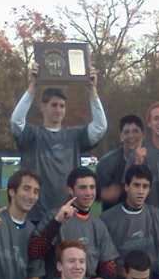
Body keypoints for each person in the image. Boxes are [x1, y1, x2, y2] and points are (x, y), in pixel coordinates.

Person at [10, 64, 107, 223]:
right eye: (53, 105)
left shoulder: (74, 136)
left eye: (62, 106)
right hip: (35, 214)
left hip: (67, 212)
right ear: (43, 107)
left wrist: (92, 91)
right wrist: (32, 87)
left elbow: (100, 127)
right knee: (37, 248)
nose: (58, 109)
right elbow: (16, 122)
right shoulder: (33, 135)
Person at [31, 166, 118, 279]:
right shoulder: (55, 216)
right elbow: (34, 252)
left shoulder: (98, 224)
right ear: (70, 190)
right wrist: (56, 222)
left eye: (92, 187)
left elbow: (109, 263)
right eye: (82, 188)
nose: (88, 193)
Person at [96, 115, 144, 211]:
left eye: (135, 131)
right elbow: (103, 195)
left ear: (143, 135)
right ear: (121, 137)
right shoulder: (106, 163)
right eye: (126, 132)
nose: (131, 136)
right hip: (115, 217)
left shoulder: (153, 159)